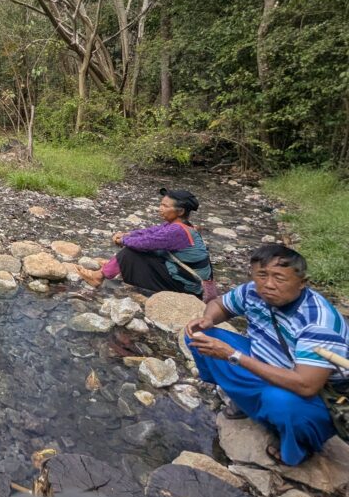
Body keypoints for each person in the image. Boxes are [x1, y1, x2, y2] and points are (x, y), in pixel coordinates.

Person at [185, 244, 349, 466]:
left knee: (280, 401)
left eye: (279, 278)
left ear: (302, 282)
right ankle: (248, 401)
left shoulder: (319, 323)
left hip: (313, 394)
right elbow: (220, 304)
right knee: (197, 336)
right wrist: (209, 319)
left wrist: (233, 355)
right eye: (262, 275)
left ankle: (299, 447)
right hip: (264, 363)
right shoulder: (252, 291)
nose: (268, 285)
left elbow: (306, 385)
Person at [76, 188, 212, 298]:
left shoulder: (177, 231)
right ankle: (111, 268)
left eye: (165, 206)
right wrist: (127, 235)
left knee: (131, 252)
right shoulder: (179, 226)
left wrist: (123, 240)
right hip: (187, 280)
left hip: (186, 287)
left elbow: (146, 243)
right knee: (138, 249)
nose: (160, 208)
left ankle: (98, 277)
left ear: (180, 211)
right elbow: (150, 232)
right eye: (161, 204)